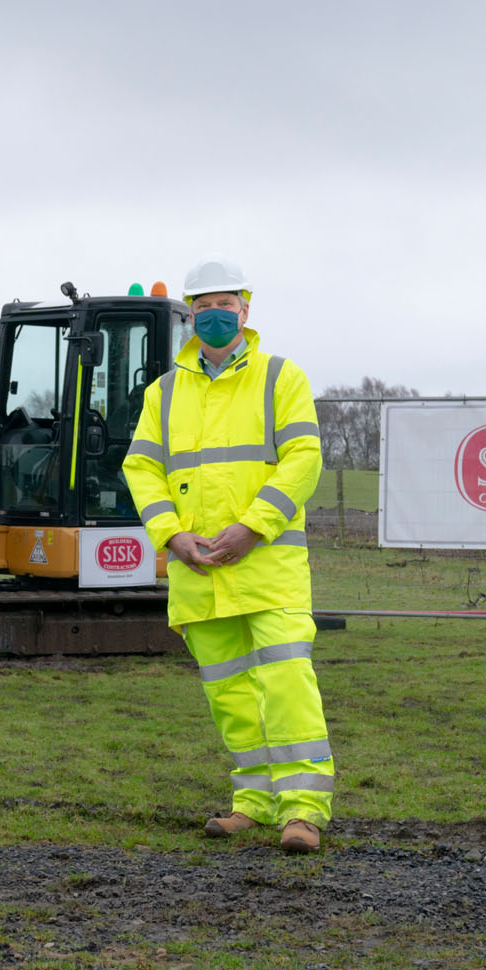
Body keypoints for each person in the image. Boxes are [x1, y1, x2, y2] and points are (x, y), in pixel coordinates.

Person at [122, 254, 332, 854]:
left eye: (225, 305)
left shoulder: (279, 377)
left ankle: (303, 812)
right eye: (204, 307)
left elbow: (303, 461)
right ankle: (255, 803)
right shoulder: (164, 392)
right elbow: (142, 468)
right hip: (199, 574)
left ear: (245, 310)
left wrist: (253, 528)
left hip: (266, 571)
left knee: (287, 683)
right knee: (231, 695)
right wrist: (170, 536)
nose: (214, 316)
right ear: (190, 315)